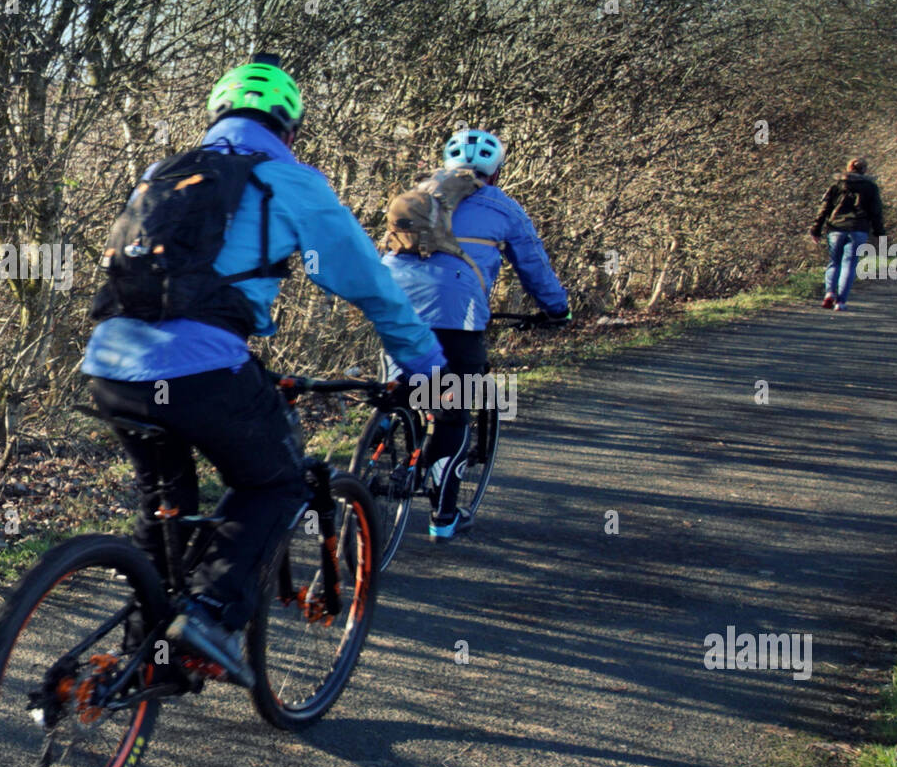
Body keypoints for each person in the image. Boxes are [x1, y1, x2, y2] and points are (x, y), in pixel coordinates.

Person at [83, 56, 447, 684]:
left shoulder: (162, 173)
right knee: (275, 483)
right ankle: (209, 617)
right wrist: (424, 361)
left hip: (110, 363)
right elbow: (368, 282)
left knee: (165, 504)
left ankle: (144, 662)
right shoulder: (289, 178)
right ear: (290, 128)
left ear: (217, 116)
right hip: (201, 367)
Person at [382, 128, 571, 542]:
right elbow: (533, 266)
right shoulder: (503, 207)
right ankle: (444, 517)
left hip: (395, 304)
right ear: (497, 172)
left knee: (403, 388)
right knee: (454, 409)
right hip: (458, 315)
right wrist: (557, 309)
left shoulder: (418, 195)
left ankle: (379, 450)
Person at [809, 156, 885, 312]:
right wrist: (880, 232)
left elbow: (824, 209)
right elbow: (876, 212)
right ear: (864, 170)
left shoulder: (836, 185)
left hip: (835, 228)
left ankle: (829, 292)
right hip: (859, 229)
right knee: (849, 265)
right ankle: (841, 302)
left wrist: (816, 229)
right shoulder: (870, 187)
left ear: (848, 168)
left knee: (834, 262)